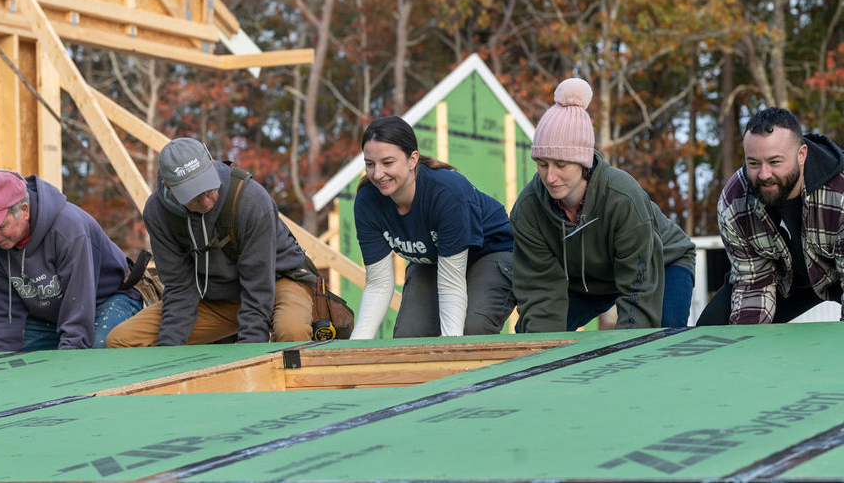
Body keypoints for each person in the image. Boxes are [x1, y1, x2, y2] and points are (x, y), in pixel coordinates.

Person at [510, 78, 696, 332]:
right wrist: (541, 355)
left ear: (583, 162)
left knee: (656, 341)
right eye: (542, 164)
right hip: (590, 282)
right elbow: (541, 293)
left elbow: (638, 289)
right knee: (530, 333)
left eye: (561, 165)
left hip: (661, 263)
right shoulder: (529, 209)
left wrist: (629, 352)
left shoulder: (622, 198)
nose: (550, 177)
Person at [107, 137, 317, 347]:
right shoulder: (157, 213)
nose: (206, 201)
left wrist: (249, 358)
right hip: (216, 297)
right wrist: (168, 354)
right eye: (194, 195)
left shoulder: (251, 200)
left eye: (208, 188)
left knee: (292, 332)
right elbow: (180, 289)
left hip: (276, 282)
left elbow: (257, 287)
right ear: (168, 187)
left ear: (210, 162)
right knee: (121, 340)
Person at [350, 116, 515, 339]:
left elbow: (451, 283)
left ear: (412, 159)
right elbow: (379, 284)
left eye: (387, 163)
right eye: (370, 164)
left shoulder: (447, 194)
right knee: (410, 337)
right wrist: (357, 349)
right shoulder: (368, 201)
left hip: (491, 252)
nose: (377, 174)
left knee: (471, 331)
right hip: (435, 259)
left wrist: (452, 355)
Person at [697, 107, 844, 325]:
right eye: (754, 163)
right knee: (712, 328)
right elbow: (752, 283)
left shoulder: (840, 193)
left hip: (835, 274)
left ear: (801, 154)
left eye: (775, 162)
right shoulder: (734, 201)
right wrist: (747, 346)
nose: (764, 175)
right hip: (784, 281)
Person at [0, 170, 142, 351]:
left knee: (95, 352)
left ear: (24, 210)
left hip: (106, 301)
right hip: (49, 319)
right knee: (13, 360)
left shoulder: (68, 230)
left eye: (0, 227)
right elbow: (1, 316)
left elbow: (77, 317)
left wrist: (68, 361)